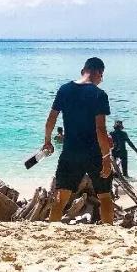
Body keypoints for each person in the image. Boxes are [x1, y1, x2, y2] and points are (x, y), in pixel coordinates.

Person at [42, 57, 114, 224]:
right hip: (94, 152)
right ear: (98, 72)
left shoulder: (64, 90)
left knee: (61, 196)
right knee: (104, 195)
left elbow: (50, 120)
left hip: (70, 151)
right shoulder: (99, 94)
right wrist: (106, 158)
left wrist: (47, 141)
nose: (100, 80)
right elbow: (100, 130)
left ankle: (52, 230)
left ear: (83, 71)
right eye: (101, 77)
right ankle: (110, 232)